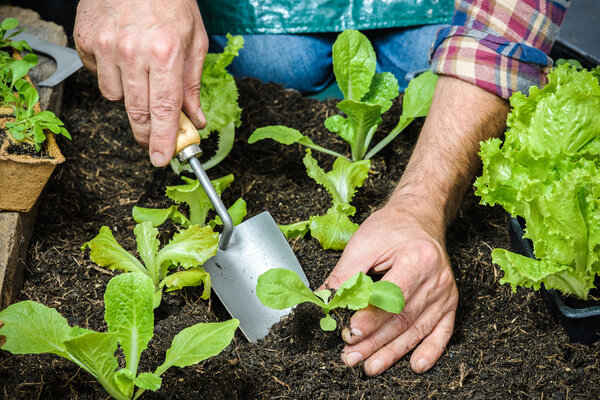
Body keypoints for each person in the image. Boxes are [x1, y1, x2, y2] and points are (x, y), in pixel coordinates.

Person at [73, 0, 570, 376]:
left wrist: (423, 204)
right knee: (272, 59)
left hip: (435, 20)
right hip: (243, 19)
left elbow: (503, 29)